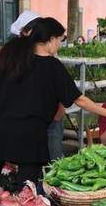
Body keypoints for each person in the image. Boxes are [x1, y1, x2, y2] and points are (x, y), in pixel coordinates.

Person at [0, 17, 106, 200]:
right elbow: (80, 100)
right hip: (28, 138)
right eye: (60, 41)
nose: (59, 46)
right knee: (26, 197)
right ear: (51, 39)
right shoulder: (53, 67)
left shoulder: (9, 55)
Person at [11, 11, 65, 161]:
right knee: (31, 162)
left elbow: (59, 87)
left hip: (51, 120)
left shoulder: (49, 55)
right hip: (29, 121)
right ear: (24, 32)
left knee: (53, 161)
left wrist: (58, 114)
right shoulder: (17, 57)